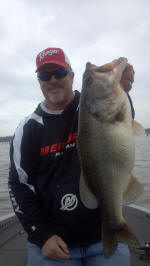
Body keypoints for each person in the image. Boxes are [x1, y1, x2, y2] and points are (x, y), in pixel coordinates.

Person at [8, 47, 135, 266]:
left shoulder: (88, 106)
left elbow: (120, 124)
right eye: (45, 75)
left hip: (101, 232)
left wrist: (123, 89)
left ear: (72, 75)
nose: (53, 80)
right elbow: (18, 186)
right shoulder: (28, 129)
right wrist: (41, 236)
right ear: (39, 81)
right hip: (53, 242)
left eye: (59, 72)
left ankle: (114, 228)